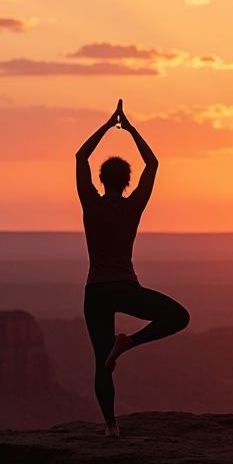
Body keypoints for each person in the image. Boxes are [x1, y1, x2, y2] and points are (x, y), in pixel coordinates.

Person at [76, 99, 189, 437]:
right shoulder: (133, 206)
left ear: (101, 179)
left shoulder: (91, 204)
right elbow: (152, 163)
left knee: (101, 361)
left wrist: (107, 125)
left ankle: (111, 426)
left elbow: (81, 157)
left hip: (96, 291)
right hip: (125, 287)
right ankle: (128, 343)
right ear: (127, 182)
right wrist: (130, 129)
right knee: (178, 317)